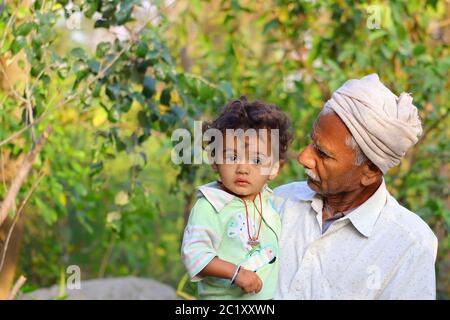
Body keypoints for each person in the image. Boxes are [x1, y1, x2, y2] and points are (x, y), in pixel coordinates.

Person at [274, 74, 438, 299]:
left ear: (370, 171)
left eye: (322, 153)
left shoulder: (410, 243)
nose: (303, 157)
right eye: (311, 142)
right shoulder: (279, 201)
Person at [181, 96, 292, 299]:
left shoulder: (269, 200)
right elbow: (195, 255)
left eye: (257, 160)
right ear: (214, 161)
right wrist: (235, 273)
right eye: (232, 157)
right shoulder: (210, 205)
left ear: (275, 167)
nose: (242, 168)